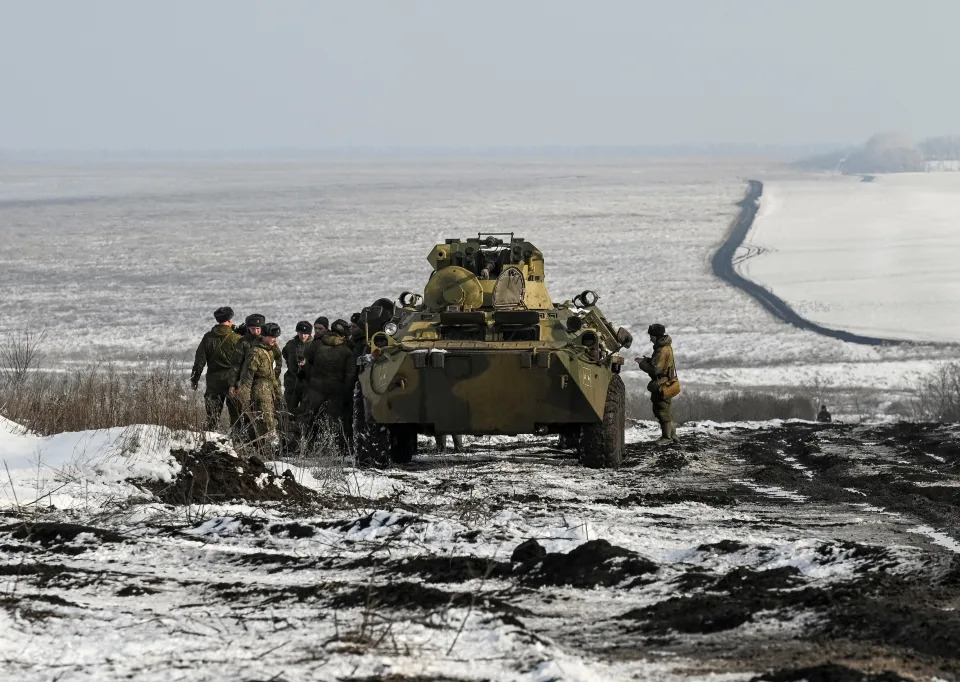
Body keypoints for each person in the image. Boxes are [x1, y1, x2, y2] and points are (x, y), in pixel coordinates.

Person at [300, 320, 357, 452]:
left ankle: (305, 447)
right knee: (335, 422)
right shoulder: (347, 351)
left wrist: (310, 378)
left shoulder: (317, 345)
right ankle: (339, 449)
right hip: (335, 391)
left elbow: (305, 363)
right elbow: (350, 376)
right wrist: (347, 394)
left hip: (315, 388)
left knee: (308, 418)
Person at [190, 306, 243, 431]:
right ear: (230, 320)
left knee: (212, 417)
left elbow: (199, 361)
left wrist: (194, 379)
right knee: (236, 416)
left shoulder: (208, 337)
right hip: (232, 381)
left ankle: (211, 441)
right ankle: (236, 442)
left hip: (213, 382)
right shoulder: (237, 338)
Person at [238, 322, 284, 455]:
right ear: (263, 336)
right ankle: (266, 453)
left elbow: (273, 375)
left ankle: (261, 450)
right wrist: (245, 398)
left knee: (269, 421)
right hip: (259, 392)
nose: (274, 339)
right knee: (265, 422)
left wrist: (278, 393)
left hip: (270, 390)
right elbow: (247, 376)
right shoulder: (256, 352)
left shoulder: (271, 350)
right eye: (271, 336)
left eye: (275, 337)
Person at [636, 323, 680, 445]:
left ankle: (667, 437)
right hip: (666, 382)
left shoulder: (662, 350)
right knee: (665, 408)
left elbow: (655, 369)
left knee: (661, 410)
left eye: (651, 336)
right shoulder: (665, 347)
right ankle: (673, 435)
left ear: (656, 336)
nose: (650, 338)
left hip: (662, 383)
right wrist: (647, 360)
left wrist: (642, 363)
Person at [281, 321, 313, 449]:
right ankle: (289, 443)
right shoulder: (290, 345)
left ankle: (305, 442)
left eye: (306, 333)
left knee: (306, 413)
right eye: (301, 333)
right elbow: (285, 355)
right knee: (289, 412)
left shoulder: (314, 345)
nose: (303, 336)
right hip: (292, 383)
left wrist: (306, 365)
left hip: (307, 383)